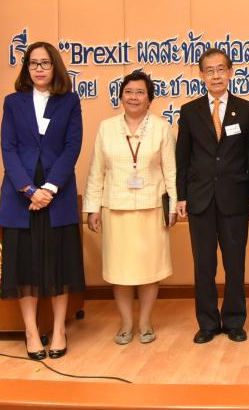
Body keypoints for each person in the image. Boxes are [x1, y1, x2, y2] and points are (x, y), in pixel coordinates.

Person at [0, 41, 85, 360]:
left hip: (57, 194)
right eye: (33, 63)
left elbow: (72, 147)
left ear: (55, 66)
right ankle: (31, 331)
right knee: (25, 266)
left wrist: (48, 188)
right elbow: (8, 148)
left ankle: (59, 330)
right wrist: (29, 190)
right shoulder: (13, 102)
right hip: (20, 195)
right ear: (26, 68)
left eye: (45, 63)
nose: (39, 69)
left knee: (59, 263)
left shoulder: (69, 101)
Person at [83, 71, 177, 345]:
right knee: (120, 271)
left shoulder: (161, 127)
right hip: (116, 208)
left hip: (152, 208)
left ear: (149, 99)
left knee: (149, 270)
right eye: (129, 92)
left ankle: (145, 322)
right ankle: (126, 323)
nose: (134, 97)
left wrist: (173, 206)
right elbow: (97, 171)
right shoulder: (106, 128)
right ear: (121, 97)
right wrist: (93, 208)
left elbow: (171, 171)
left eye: (140, 92)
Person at [176, 48, 249, 344]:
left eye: (220, 69)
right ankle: (208, 322)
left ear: (230, 72)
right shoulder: (190, 111)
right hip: (199, 199)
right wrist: (182, 195)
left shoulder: (247, 110)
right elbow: (182, 157)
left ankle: (234, 320)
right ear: (201, 75)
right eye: (209, 70)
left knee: (235, 263)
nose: (215, 75)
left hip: (235, 198)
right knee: (204, 265)